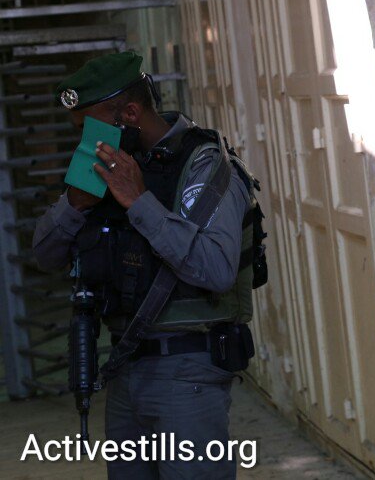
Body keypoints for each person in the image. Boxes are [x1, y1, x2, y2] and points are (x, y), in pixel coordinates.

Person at [33, 51, 256, 479]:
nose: (84, 141)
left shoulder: (205, 164)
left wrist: (138, 201)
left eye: (89, 128)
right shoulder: (105, 167)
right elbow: (45, 256)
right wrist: (74, 205)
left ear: (131, 114)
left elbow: (216, 269)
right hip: (125, 365)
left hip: (187, 372)